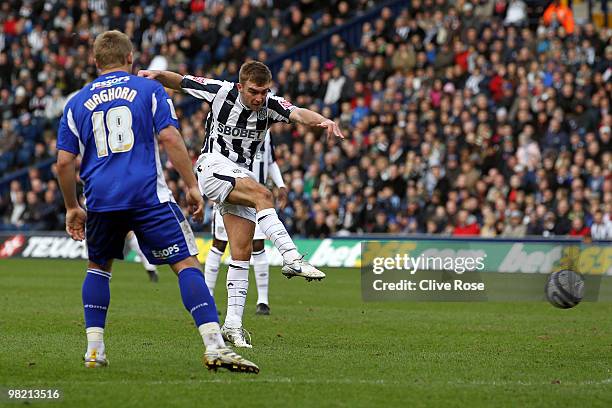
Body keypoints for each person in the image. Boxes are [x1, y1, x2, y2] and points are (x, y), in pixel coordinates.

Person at [56, 30, 258, 373]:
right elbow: (169, 137)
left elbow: (63, 162)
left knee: (98, 267)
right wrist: (193, 186)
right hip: (147, 195)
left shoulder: (76, 101)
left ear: (95, 61)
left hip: (101, 199)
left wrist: (73, 207)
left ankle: (94, 351)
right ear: (130, 58)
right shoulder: (148, 89)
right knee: (186, 265)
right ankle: (214, 346)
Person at [138, 61, 344, 348]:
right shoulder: (220, 92)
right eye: (253, 92)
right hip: (212, 166)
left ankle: (233, 325)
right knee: (263, 195)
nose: (259, 98)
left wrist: (323, 120)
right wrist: (158, 75)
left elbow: (297, 113)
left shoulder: (271, 105)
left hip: (239, 178)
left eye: (264, 91)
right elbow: (183, 81)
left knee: (241, 253)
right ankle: (292, 257)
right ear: (240, 87)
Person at [205, 130, 286, 316]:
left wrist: (280, 184)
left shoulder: (266, 130)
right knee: (219, 244)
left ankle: (263, 301)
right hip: (230, 193)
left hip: (257, 198)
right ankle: (208, 297)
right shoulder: (229, 124)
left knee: (258, 246)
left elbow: (270, 161)